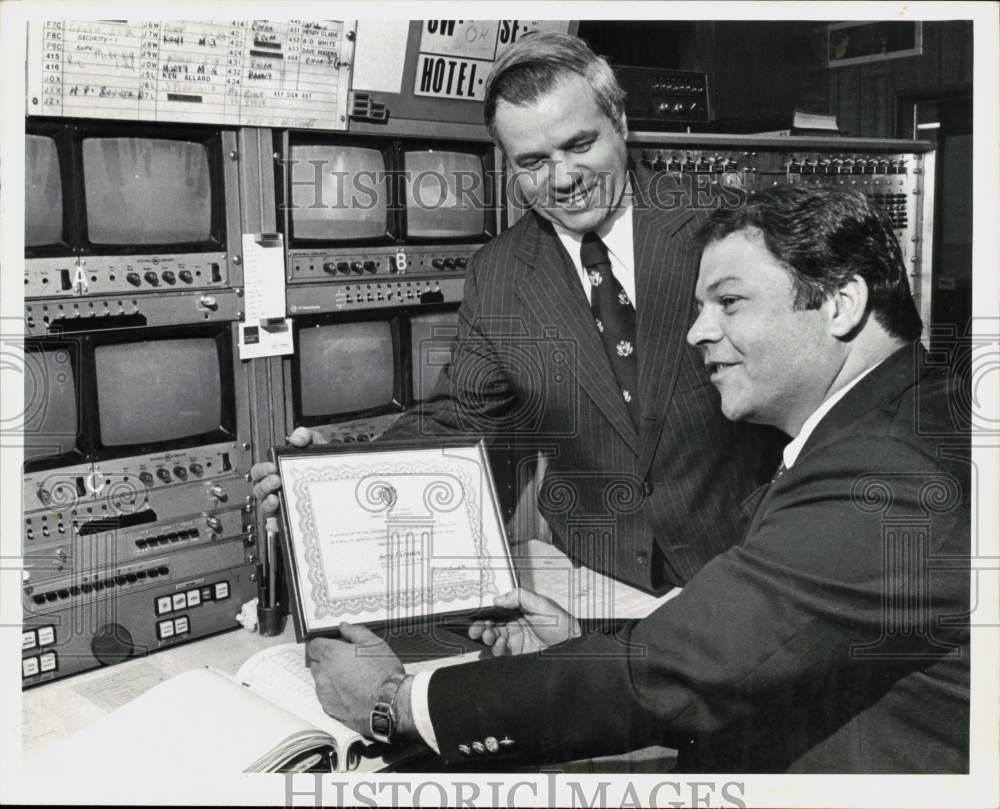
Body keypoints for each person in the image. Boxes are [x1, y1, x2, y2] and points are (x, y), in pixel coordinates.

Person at [305, 185, 970, 773]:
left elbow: (676, 673)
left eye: (728, 302)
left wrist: (396, 704)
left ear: (842, 304)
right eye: (699, 306)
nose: (696, 332)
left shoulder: (889, 473)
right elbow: (758, 648)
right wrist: (578, 648)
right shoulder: (904, 413)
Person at [252, 32, 779, 592]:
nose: (563, 178)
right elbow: (462, 419)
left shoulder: (724, 227)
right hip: (601, 583)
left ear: (619, 122)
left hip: (749, 565)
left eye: (580, 144)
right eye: (533, 162)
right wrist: (332, 475)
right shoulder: (498, 273)